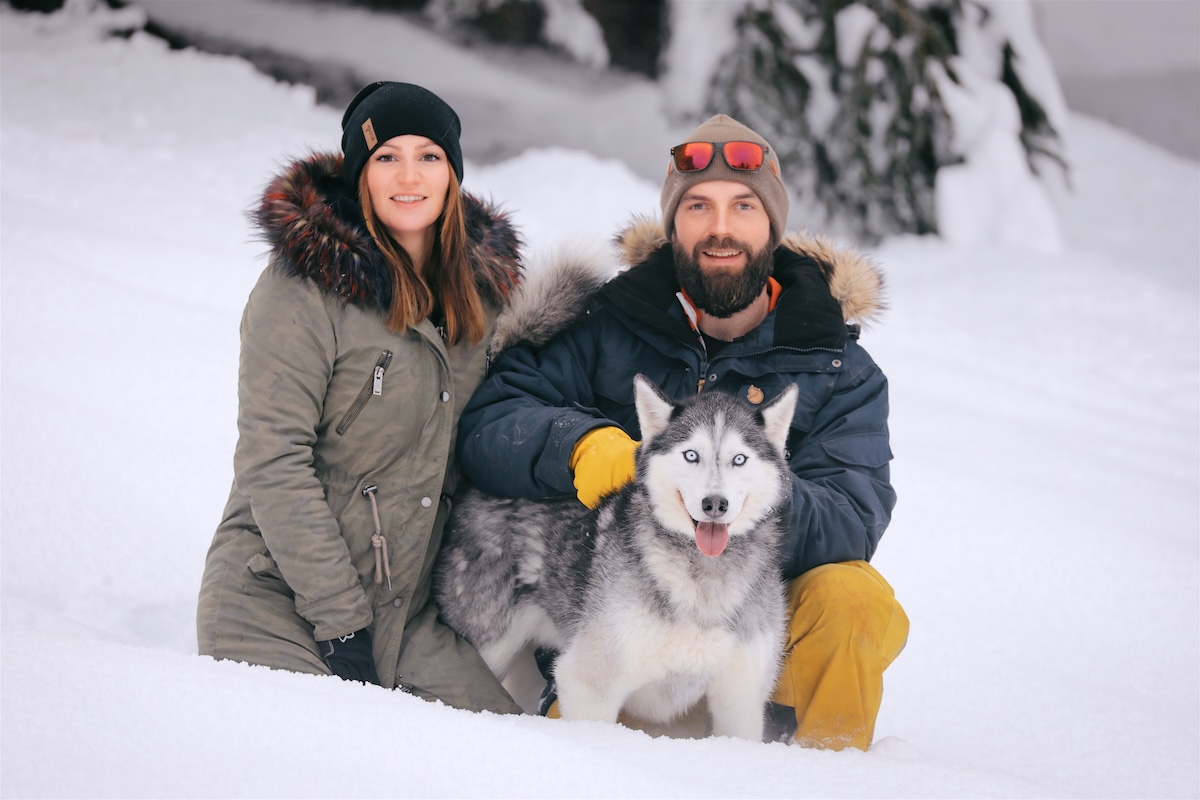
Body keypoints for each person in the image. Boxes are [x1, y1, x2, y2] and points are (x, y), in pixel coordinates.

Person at [457, 114, 909, 749]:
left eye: (742, 207)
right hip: (625, 625)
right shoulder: (607, 322)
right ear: (673, 226)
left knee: (853, 597)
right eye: (698, 206)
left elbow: (853, 516)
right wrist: (583, 447)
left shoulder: (835, 363)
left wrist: (749, 493)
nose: (720, 228)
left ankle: (819, 770)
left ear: (773, 228)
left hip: (753, 628)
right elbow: (492, 421)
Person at [197, 81, 524, 714]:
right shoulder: (304, 289)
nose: (410, 176)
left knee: (511, 756)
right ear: (359, 174)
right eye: (386, 158)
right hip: (278, 601)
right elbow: (273, 461)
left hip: (406, 618)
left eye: (429, 156)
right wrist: (341, 622)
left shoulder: (485, 299)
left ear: (453, 174)